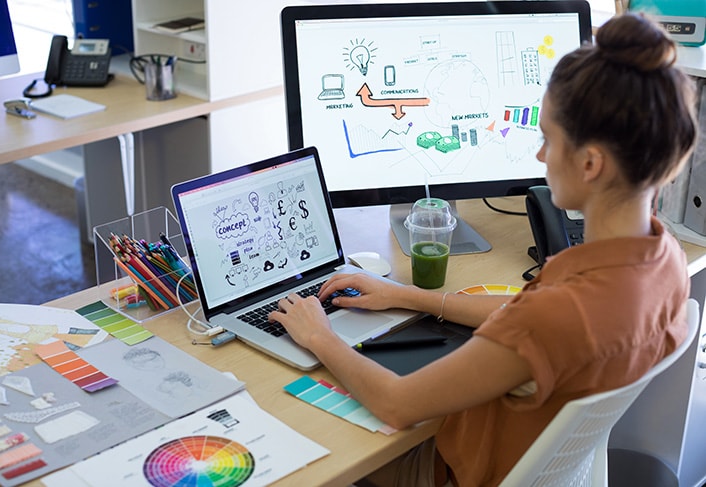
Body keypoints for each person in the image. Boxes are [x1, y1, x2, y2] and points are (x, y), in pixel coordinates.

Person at [269, 12, 698, 487]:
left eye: (547, 139)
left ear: (591, 163)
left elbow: (398, 403)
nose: (538, 156)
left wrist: (318, 336)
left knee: (308, 445)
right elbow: (525, 313)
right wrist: (409, 296)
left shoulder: (558, 316)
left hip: (454, 474)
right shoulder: (663, 260)